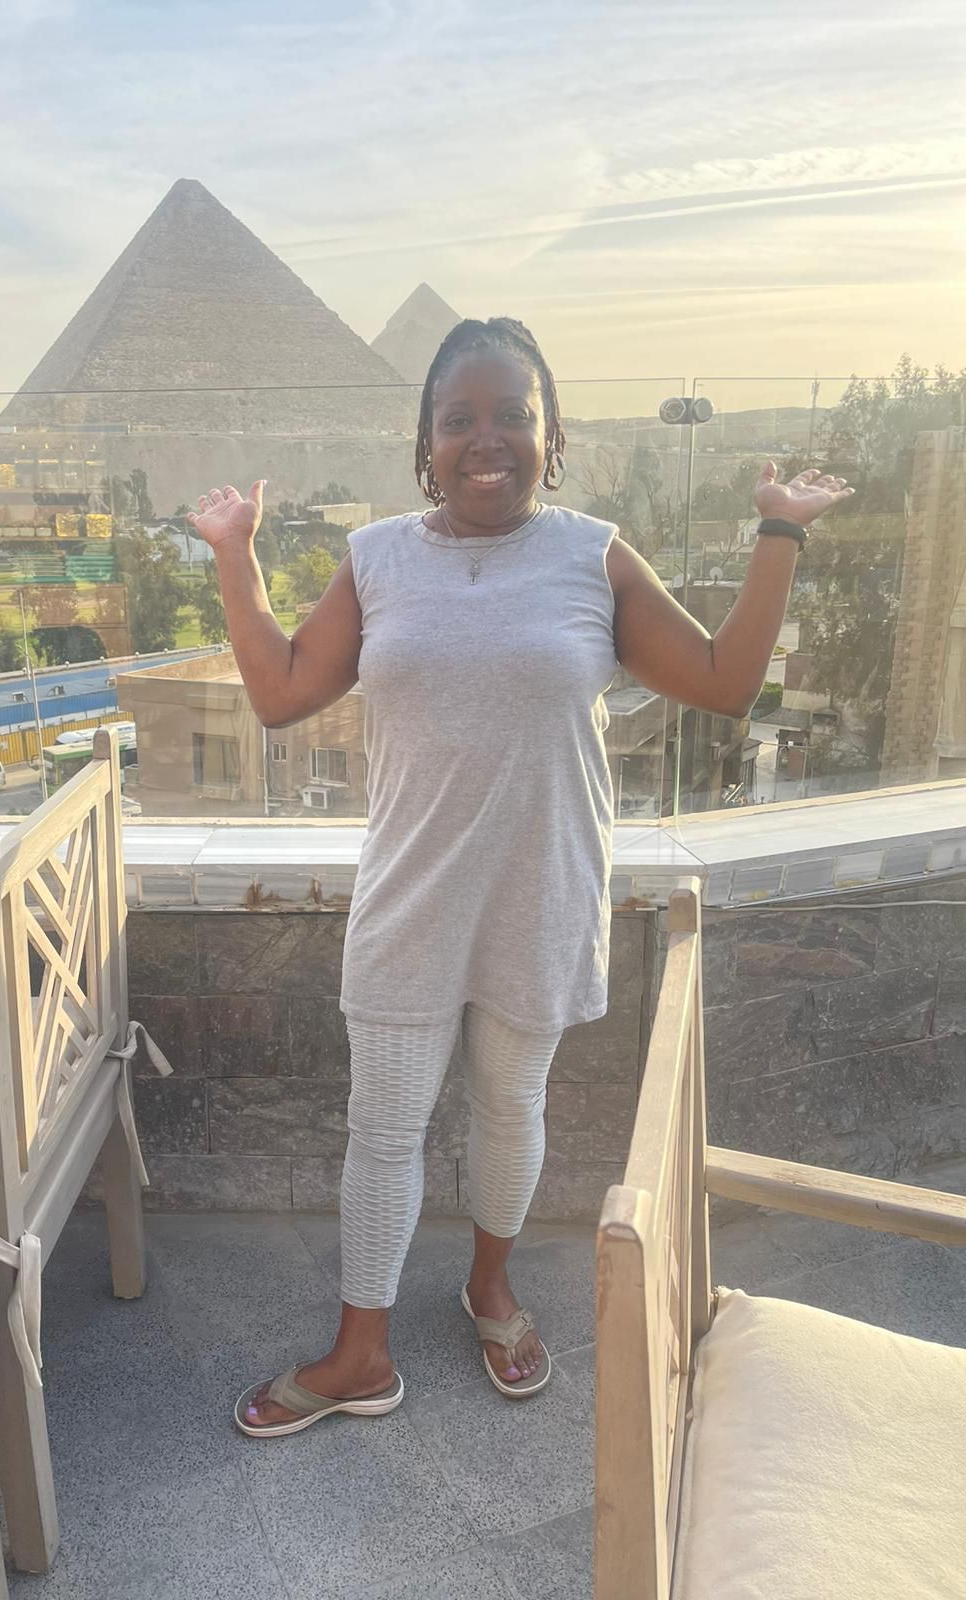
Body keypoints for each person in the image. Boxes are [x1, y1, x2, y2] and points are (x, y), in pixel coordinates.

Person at [187, 318, 852, 1438]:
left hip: (540, 894)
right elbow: (282, 690)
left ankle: (489, 1289)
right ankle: (361, 1353)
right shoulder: (377, 557)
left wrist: (778, 532)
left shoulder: (594, 554)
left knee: (511, 1107)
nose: (485, 439)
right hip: (410, 899)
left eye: (513, 416)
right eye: (459, 420)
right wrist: (234, 554)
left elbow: (724, 681)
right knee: (383, 1130)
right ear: (427, 442)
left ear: (554, 433)